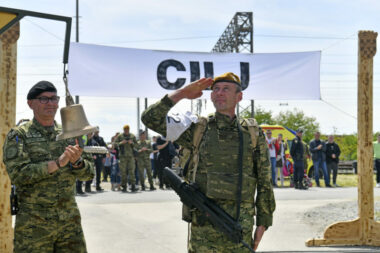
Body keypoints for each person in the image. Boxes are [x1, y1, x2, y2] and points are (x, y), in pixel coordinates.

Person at [141, 73, 275, 252]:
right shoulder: (197, 129)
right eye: (216, 89)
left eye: (226, 89)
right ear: (211, 96)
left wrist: (263, 222)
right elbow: (150, 118)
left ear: (239, 97)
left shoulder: (252, 133)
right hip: (203, 229)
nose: (219, 93)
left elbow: (264, 180)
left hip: (238, 228)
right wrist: (182, 93)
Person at [2, 81, 94, 252]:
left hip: (69, 223)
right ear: (31, 103)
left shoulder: (71, 133)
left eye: (54, 98)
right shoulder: (19, 135)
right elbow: (18, 174)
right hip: (34, 226)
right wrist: (57, 164)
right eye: (44, 99)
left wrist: (77, 162)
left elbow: (89, 174)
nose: (51, 103)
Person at [114, 125, 138, 192]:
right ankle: (124, 186)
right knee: (123, 172)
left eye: (127, 129)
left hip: (131, 156)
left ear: (129, 129)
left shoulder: (132, 136)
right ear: (123, 130)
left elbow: (137, 145)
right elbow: (115, 144)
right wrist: (121, 142)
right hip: (122, 156)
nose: (126, 130)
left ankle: (133, 185)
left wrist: (132, 143)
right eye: (125, 129)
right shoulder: (120, 136)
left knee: (132, 171)